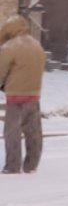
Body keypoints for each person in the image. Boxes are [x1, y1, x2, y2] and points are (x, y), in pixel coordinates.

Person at [0, 14, 47, 174]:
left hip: (15, 96)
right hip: (34, 95)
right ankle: (31, 165)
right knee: (33, 132)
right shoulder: (36, 45)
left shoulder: (9, 47)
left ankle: (12, 166)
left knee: (12, 132)